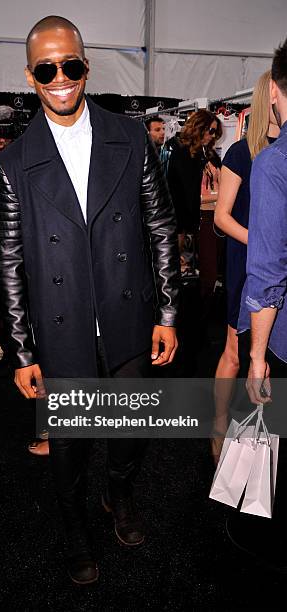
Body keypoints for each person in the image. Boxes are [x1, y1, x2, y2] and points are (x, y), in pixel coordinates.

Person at [0, 15, 179, 585]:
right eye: (46, 69)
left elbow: (162, 228)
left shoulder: (130, 138)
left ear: (85, 65)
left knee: (128, 432)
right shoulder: (14, 163)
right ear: (30, 76)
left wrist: (168, 312)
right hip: (61, 329)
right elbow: (9, 263)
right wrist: (23, 352)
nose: (60, 78)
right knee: (69, 447)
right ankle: (75, 526)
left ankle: (117, 496)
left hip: (128, 320)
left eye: (69, 65)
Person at [225, 38, 287, 572]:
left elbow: (268, 274)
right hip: (252, 270)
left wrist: (257, 355)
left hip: (280, 320)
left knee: (273, 424)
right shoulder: (248, 154)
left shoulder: (275, 163)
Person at [212, 71, 279, 462]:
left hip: (276, 268)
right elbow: (221, 217)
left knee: (270, 355)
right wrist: (264, 244)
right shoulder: (241, 152)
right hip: (247, 264)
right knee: (236, 354)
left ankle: (261, 436)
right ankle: (218, 425)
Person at [166, 109, 222, 273]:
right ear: (199, 128)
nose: (212, 135)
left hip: (207, 221)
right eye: (211, 131)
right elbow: (185, 195)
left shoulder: (209, 154)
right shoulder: (182, 153)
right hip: (187, 224)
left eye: (215, 132)